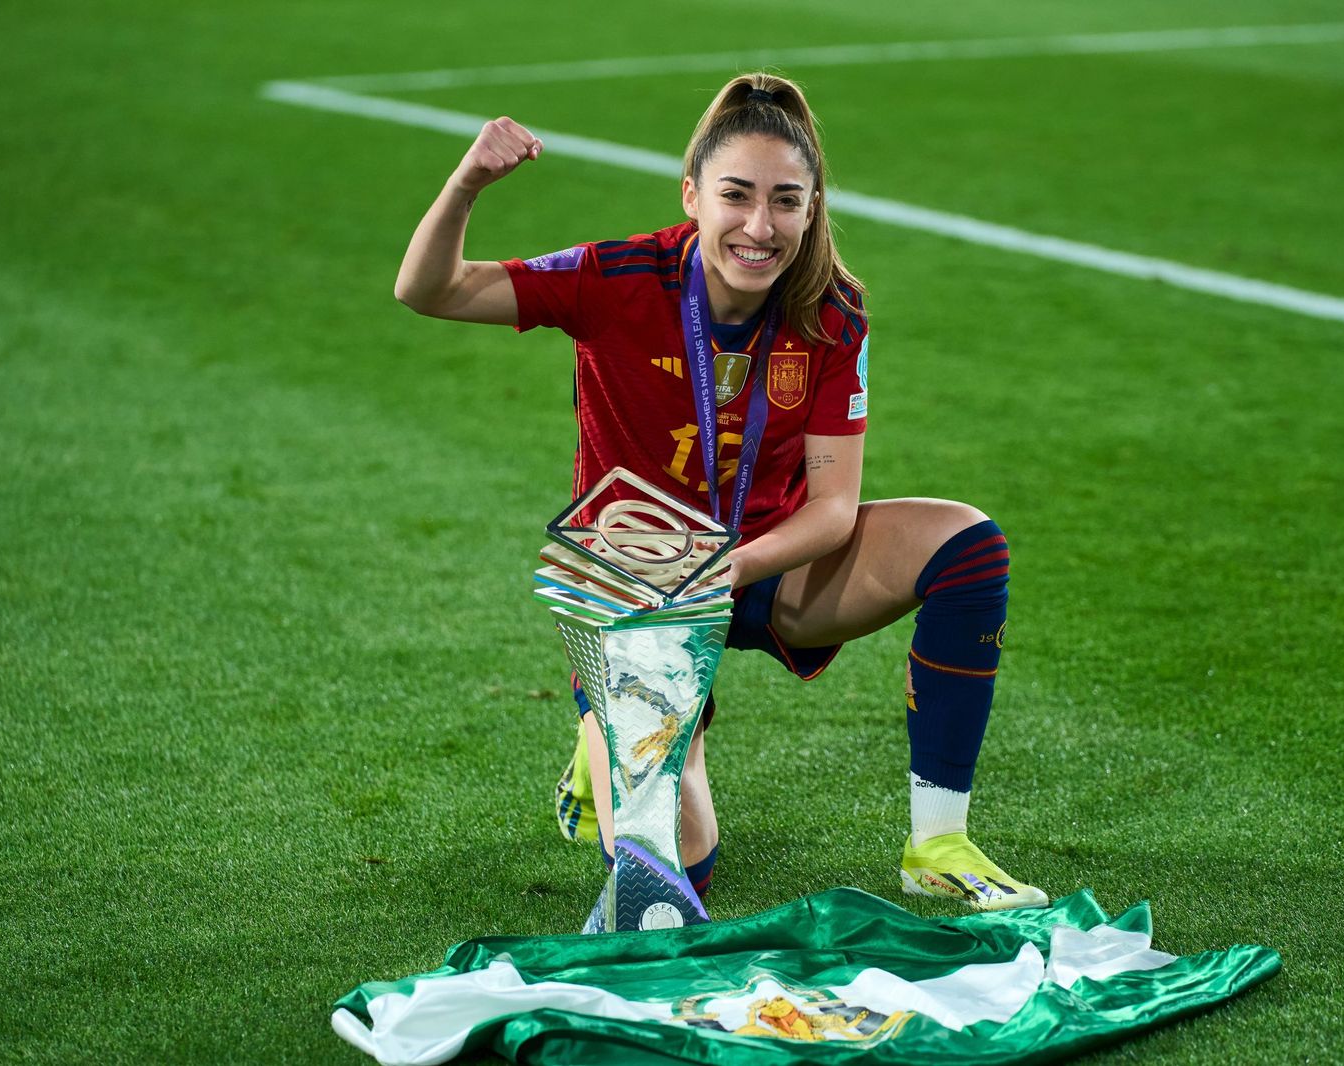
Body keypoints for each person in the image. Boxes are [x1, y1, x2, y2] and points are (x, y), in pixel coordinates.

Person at [394, 72, 1045, 911]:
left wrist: (732, 569)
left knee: (968, 544)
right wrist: (468, 182)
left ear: (812, 209)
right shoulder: (618, 276)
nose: (758, 226)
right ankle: (611, 727)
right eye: (736, 196)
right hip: (635, 583)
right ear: (692, 194)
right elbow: (428, 289)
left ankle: (939, 841)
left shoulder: (832, 310)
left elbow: (834, 509)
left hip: (764, 561)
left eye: (786, 201)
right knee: (678, 873)